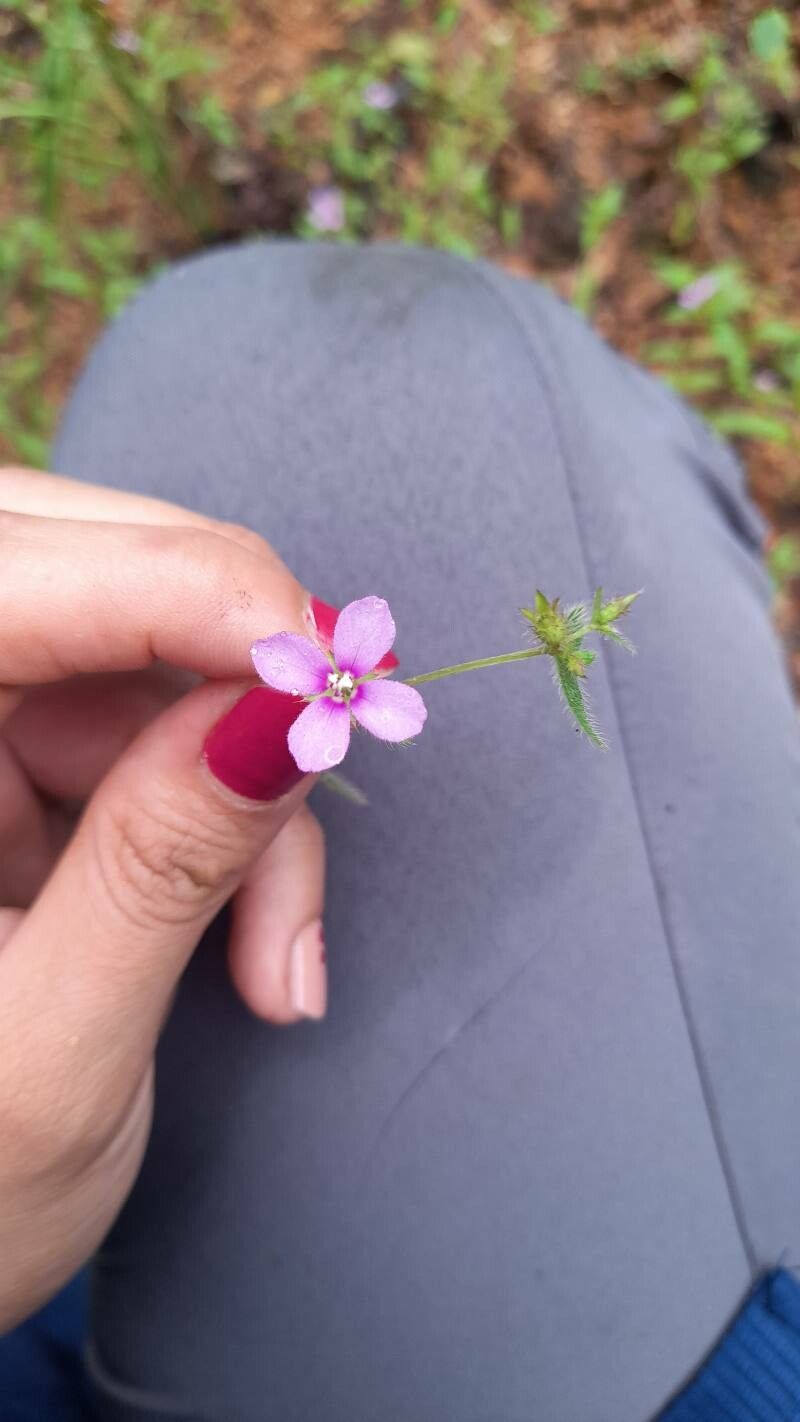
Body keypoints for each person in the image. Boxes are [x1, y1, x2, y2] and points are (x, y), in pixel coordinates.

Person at [1, 241, 799, 1422]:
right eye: (334, 687)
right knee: (406, 368)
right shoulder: (338, 685)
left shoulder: (360, 681)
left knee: (276, 352)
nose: (338, 690)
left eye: (343, 685)